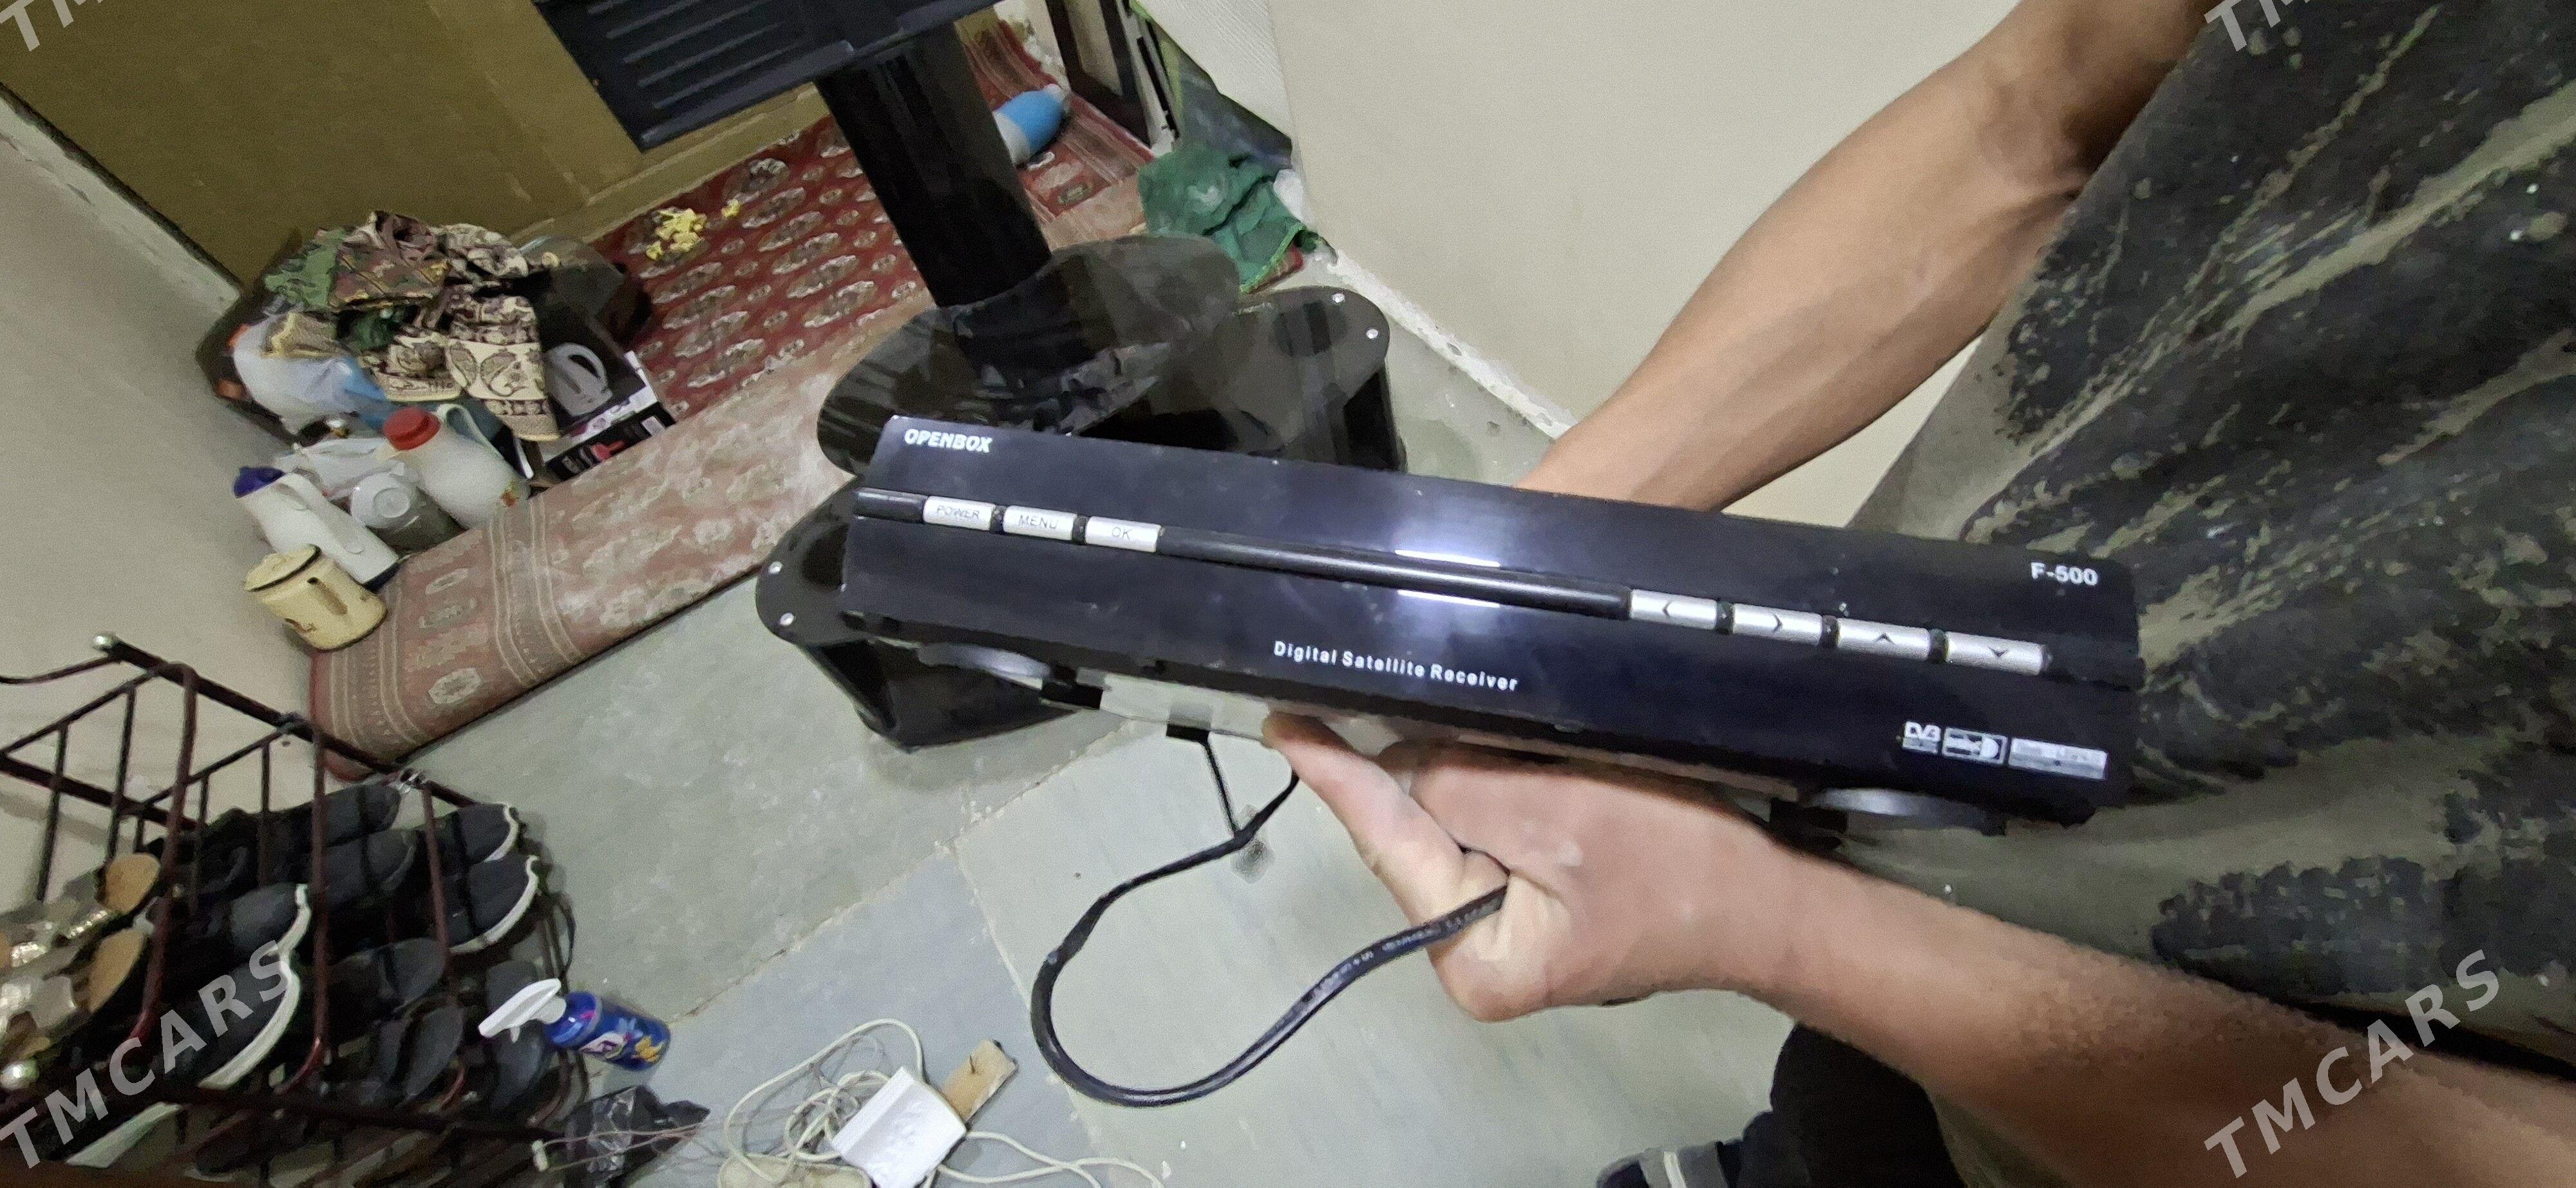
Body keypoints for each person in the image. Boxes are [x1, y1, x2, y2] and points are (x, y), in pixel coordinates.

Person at [1264, 1, 2576, 1184]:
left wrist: (1756, 918)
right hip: (1903, 847)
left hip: (2219, 1106)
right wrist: (1499, 574)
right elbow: (2033, 115)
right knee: (1845, 1112)